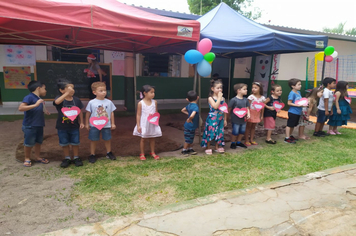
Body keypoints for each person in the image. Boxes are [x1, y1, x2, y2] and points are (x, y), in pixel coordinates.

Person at [18, 81, 50, 167]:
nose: (45, 90)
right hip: (30, 125)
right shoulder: (29, 97)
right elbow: (21, 108)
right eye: (44, 88)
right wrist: (35, 105)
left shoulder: (38, 98)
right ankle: (27, 158)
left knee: (38, 142)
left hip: (39, 124)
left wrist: (44, 111)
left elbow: (39, 107)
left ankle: (37, 157)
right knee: (29, 142)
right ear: (38, 88)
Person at [53, 80, 84, 168]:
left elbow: (80, 111)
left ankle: (76, 157)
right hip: (62, 126)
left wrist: (81, 122)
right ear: (61, 90)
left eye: (72, 88)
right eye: (68, 88)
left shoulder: (76, 100)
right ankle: (67, 158)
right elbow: (56, 102)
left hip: (74, 126)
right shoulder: (59, 99)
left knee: (75, 142)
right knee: (64, 143)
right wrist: (66, 94)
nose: (72, 90)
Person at [85, 82, 117, 163]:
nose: (104, 92)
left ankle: (109, 152)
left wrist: (112, 123)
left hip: (106, 125)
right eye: (101, 90)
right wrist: (86, 123)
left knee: (107, 139)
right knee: (93, 139)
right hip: (94, 125)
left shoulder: (109, 102)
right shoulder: (92, 102)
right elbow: (88, 113)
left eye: (105, 90)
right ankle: (92, 154)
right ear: (94, 92)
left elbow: (111, 112)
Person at [133, 85, 162, 160]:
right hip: (144, 124)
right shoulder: (140, 103)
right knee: (143, 138)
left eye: (154, 92)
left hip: (152, 123)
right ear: (145, 93)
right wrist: (138, 125)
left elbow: (156, 112)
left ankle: (152, 152)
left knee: (152, 137)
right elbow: (138, 115)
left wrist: (155, 118)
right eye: (151, 92)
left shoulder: (154, 102)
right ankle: (142, 153)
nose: (153, 94)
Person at [201, 79, 227, 155]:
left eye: (221, 88)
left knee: (219, 132)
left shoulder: (223, 98)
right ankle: (208, 147)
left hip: (220, 117)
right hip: (212, 118)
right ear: (212, 89)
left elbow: (225, 108)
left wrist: (225, 119)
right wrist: (219, 98)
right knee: (210, 132)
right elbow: (215, 106)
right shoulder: (210, 98)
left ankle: (217, 146)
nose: (220, 89)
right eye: (218, 88)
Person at [228, 83, 250, 149]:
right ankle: (232, 142)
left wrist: (248, 114)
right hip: (235, 119)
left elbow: (247, 108)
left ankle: (238, 142)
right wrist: (227, 117)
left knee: (242, 131)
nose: (246, 90)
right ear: (238, 90)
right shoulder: (233, 100)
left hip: (243, 119)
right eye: (244, 89)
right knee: (235, 131)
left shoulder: (245, 100)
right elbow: (229, 109)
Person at [245, 82, 265, 146]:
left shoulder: (262, 98)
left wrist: (262, 115)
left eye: (255, 88)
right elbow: (247, 106)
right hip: (251, 112)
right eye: (253, 88)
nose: (253, 89)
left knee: (253, 127)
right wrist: (247, 114)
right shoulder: (251, 97)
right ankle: (246, 140)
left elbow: (262, 107)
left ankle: (251, 139)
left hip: (257, 113)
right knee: (248, 126)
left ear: (260, 89)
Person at [181, 90, 199, 156]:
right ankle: (184, 150)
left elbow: (182, 110)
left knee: (190, 138)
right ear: (197, 97)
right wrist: (190, 118)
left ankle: (190, 148)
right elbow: (192, 115)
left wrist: (188, 114)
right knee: (188, 139)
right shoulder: (195, 107)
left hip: (189, 126)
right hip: (190, 126)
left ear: (187, 99)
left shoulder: (189, 105)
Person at [285, 78, 303, 144]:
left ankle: (290, 135)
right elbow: (289, 103)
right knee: (289, 125)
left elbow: (299, 101)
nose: (300, 86)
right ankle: (286, 138)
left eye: (300, 84)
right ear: (293, 86)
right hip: (293, 112)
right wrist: (297, 105)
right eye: (298, 84)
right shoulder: (292, 93)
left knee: (293, 125)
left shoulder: (299, 92)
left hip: (298, 112)